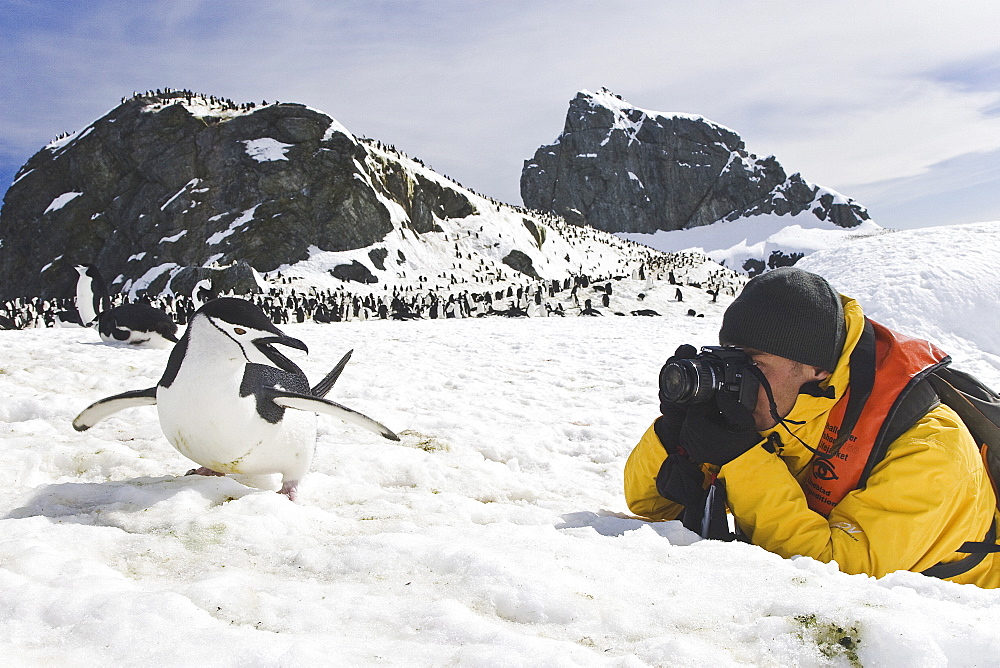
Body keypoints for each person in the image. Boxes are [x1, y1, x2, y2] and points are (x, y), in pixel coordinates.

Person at [624, 267, 1000, 587]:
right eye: (732, 360)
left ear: (818, 369)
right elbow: (650, 506)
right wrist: (671, 436)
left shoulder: (928, 446)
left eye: (754, 362)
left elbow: (841, 575)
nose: (739, 379)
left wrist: (742, 462)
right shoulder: (775, 408)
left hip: (953, 625)